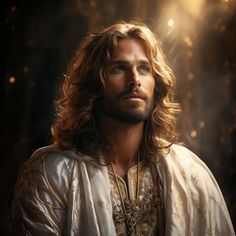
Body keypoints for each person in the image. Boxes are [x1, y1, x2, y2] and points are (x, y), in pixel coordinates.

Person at [10, 21, 235, 236]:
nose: (135, 79)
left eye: (144, 69)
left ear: (156, 83)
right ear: (93, 83)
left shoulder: (191, 174)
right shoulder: (51, 175)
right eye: (119, 68)